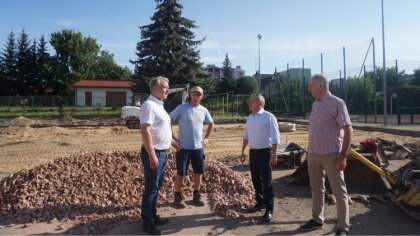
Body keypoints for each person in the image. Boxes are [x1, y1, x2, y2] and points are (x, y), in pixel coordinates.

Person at [299, 74, 353, 236]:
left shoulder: (337, 103)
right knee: (316, 189)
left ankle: (343, 227)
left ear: (321, 85)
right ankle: (317, 219)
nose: (309, 88)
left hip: (331, 154)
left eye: (311, 85)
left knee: (339, 191)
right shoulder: (315, 105)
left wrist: (343, 156)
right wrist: (309, 152)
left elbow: (348, 129)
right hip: (314, 154)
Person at [140, 76, 181, 235]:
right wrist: (152, 155)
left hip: (162, 152)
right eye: (165, 87)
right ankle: (147, 223)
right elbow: (146, 131)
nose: (168, 90)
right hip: (154, 152)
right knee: (151, 189)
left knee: (156, 187)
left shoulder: (159, 106)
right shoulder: (149, 105)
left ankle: (153, 216)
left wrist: (172, 142)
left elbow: (160, 130)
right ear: (155, 88)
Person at [169, 86, 214, 208]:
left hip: (198, 148)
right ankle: (177, 197)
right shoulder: (182, 108)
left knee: (198, 171)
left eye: (199, 95)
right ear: (190, 95)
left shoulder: (203, 110)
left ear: (201, 97)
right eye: (194, 94)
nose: (196, 97)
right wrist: (172, 137)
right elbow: (169, 120)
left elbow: (211, 123)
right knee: (181, 172)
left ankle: (196, 195)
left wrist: (207, 138)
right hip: (183, 148)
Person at [240, 94, 280, 223]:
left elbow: (275, 137)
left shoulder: (268, 117)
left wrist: (273, 154)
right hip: (253, 153)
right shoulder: (250, 118)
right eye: (249, 101)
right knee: (256, 180)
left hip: (265, 153)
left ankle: (269, 209)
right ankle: (260, 203)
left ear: (260, 103)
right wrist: (243, 151)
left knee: (267, 182)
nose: (249, 103)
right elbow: (246, 136)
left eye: (252, 101)